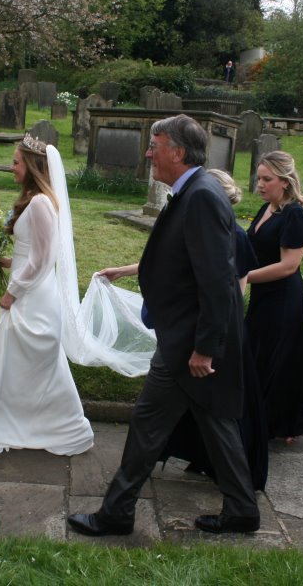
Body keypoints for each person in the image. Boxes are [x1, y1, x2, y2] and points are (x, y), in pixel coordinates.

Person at [67, 114, 260, 537]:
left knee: (148, 424)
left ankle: (116, 513)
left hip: (187, 342)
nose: (148, 153)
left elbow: (217, 281)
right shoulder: (193, 190)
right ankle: (242, 509)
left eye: (154, 146)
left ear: (178, 151)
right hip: (187, 335)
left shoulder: (202, 195)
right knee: (215, 422)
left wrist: (204, 347)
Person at [97, 170, 268, 491]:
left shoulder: (234, 235)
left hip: (209, 336)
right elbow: (168, 263)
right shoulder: (199, 225)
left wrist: (210, 340)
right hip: (188, 334)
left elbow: (233, 291)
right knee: (198, 417)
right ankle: (238, 499)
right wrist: (123, 271)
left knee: (198, 417)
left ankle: (122, 500)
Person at [0, 135, 94, 455]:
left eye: (16, 162)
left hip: (33, 301)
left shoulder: (41, 203)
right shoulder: (33, 198)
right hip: (32, 293)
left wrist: (11, 293)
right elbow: (31, 253)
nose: (11, 167)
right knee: (19, 371)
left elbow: (43, 260)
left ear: (31, 166)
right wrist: (6, 261)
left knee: (14, 370)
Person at [246, 151, 303, 443]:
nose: (260, 185)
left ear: (285, 181)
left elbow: (289, 266)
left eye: (267, 179)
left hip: (283, 297)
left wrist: (243, 277)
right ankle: (264, 419)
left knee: (279, 358)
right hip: (262, 293)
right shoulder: (267, 208)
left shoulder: (294, 214)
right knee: (260, 353)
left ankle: (277, 423)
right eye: (258, 179)